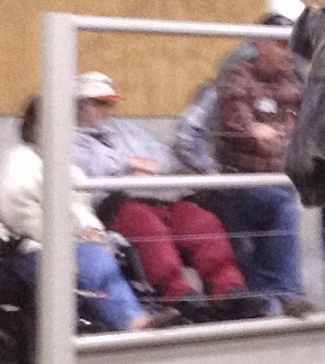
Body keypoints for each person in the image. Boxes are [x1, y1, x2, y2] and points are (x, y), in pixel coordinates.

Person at [71, 72, 263, 320]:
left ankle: (228, 291)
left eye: (108, 103)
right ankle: (177, 296)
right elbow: (85, 167)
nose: (106, 109)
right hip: (117, 205)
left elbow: (166, 158)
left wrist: (147, 166)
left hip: (160, 199)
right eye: (98, 103)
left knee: (200, 220)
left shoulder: (127, 129)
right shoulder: (68, 138)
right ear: (79, 105)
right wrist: (128, 164)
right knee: (146, 226)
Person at [1, 98, 176, 332]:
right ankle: (133, 322)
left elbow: (81, 207)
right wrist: (64, 245)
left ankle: (130, 317)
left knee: (102, 249)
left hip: (69, 243)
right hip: (27, 249)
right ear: (35, 127)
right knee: (91, 258)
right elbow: (20, 215)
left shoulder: (66, 167)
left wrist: (92, 231)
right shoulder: (20, 161)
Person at [210, 0, 313, 317]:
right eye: (281, 44)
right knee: (280, 212)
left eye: (290, 46)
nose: (287, 53)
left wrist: (270, 132)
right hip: (238, 179)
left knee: (280, 210)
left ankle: (272, 302)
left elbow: (300, 123)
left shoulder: (294, 82)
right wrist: (254, 130)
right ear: (263, 41)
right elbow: (235, 118)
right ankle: (285, 294)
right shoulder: (239, 74)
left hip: (274, 179)